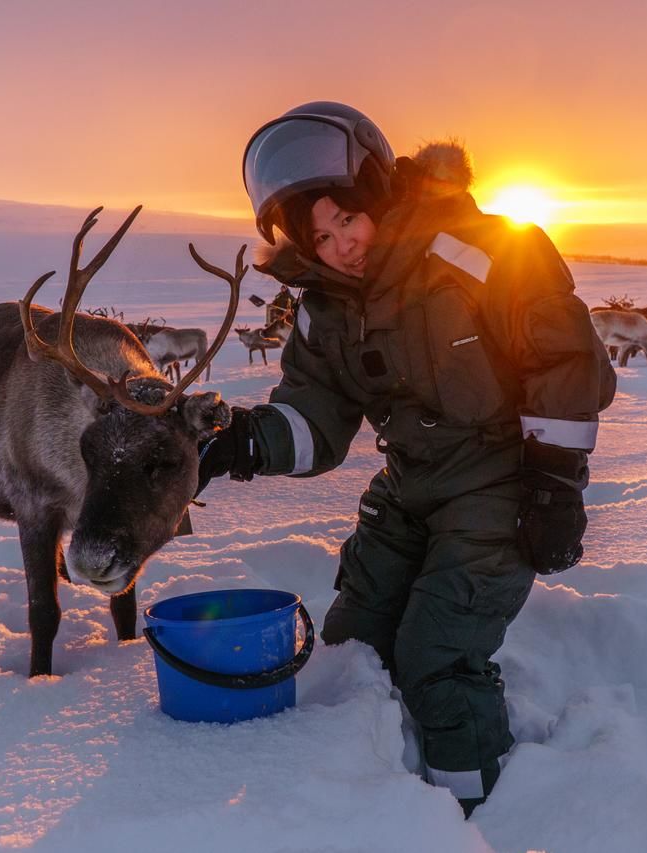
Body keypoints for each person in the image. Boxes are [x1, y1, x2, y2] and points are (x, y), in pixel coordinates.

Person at [198, 102, 616, 816]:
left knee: (436, 660)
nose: (341, 246)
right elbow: (315, 415)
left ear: (375, 192)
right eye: (321, 238)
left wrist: (554, 483)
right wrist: (240, 441)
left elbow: (567, 358)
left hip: (499, 481)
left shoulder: (481, 247)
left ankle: (474, 814)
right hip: (409, 485)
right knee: (351, 650)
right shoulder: (325, 308)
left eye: (347, 221)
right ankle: (366, 806)